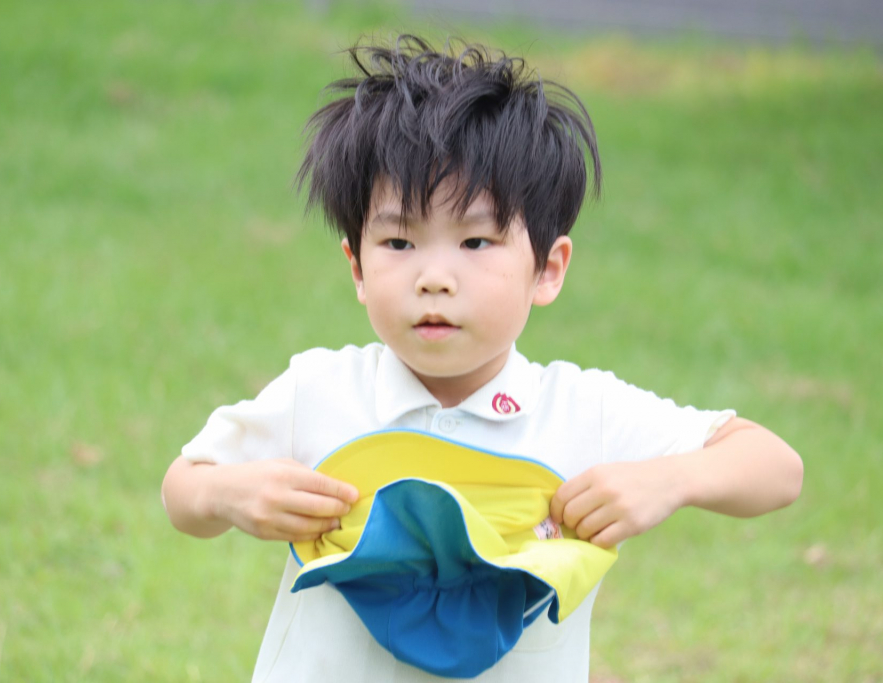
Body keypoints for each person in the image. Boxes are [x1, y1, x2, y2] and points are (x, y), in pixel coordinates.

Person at [161, 34, 803, 682]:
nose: (434, 278)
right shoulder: (320, 390)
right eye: (399, 242)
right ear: (356, 266)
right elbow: (182, 489)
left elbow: (776, 468)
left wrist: (669, 481)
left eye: (475, 241)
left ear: (548, 269)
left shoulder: (581, 412)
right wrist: (228, 494)